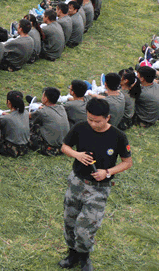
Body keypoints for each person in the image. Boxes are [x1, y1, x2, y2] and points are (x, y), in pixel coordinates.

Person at [58, 98, 132, 270]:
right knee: (70, 221)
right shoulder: (80, 128)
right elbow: (64, 147)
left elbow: (127, 162)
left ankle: (84, 258)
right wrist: (77, 155)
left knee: (86, 227)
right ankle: (72, 255)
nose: (92, 124)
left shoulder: (118, 136)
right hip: (77, 182)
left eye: (97, 121)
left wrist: (107, 172)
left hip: (99, 189)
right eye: (90, 119)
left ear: (107, 118)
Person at [30, 87, 69, 156]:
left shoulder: (42, 112)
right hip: (64, 147)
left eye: (43, 95)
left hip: (50, 149)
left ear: (46, 98)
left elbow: (28, 116)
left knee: (30, 126)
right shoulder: (61, 108)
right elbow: (50, 111)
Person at [0, 90, 30, 158]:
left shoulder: (6, 118)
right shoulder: (26, 113)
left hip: (13, 150)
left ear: (9, 102)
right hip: (25, 147)